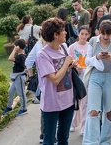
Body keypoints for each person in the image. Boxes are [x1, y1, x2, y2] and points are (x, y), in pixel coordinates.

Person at [35, 17, 76, 145]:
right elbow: (55, 79)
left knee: (64, 138)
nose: (65, 33)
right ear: (55, 35)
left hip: (68, 100)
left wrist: (71, 65)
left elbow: (65, 68)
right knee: (49, 140)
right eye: (62, 31)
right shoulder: (43, 55)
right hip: (51, 104)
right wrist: (67, 63)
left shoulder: (64, 46)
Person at [83, 20, 111, 145]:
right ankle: (91, 142)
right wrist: (97, 57)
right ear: (99, 31)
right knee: (94, 110)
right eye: (103, 34)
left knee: (109, 111)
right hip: (96, 77)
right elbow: (87, 61)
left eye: (109, 34)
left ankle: (105, 141)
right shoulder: (93, 41)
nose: (106, 37)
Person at [68, 26, 90, 134]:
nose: (84, 36)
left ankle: (84, 127)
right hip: (76, 76)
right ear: (78, 34)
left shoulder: (91, 46)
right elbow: (68, 61)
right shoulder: (72, 47)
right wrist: (76, 67)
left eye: (86, 34)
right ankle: (72, 123)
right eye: (82, 34)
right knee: (75, 100)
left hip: (87, 77)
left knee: (86, 102)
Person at [2, 39, 28, 116]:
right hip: (16, 77)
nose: (14, 47)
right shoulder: (21, 56)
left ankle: (24, 108)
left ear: (18, 47)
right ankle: (9, 106)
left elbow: (10, 58)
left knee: (21, 93)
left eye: (14, 46)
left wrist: (14, 50)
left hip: (19, 77)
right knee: (11, 91)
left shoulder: (21, 57)